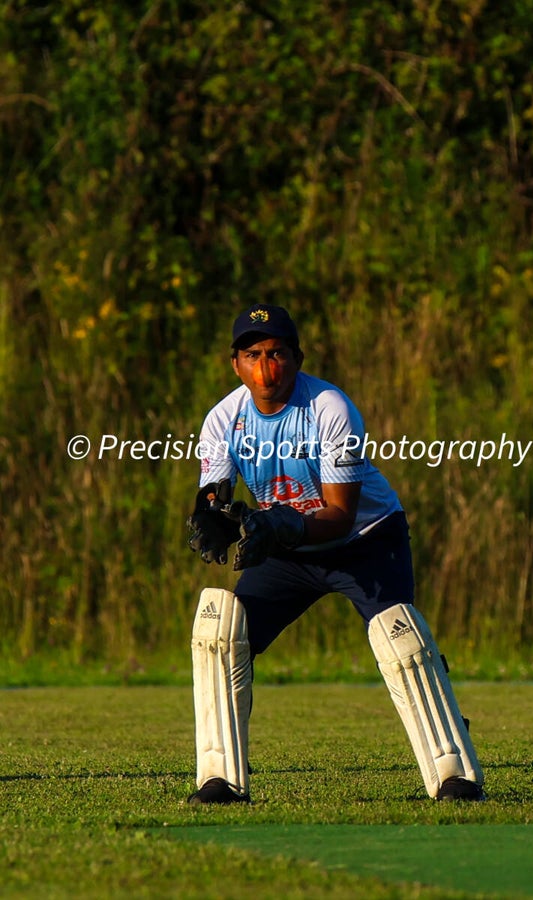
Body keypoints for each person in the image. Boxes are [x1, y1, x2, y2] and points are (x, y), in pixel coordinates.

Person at [186, 303, 485, 805]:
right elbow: (214, 490)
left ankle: (455, 776)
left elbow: (341, 514)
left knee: (401, 640)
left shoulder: (329, 408)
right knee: (221, 630)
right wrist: (212, 513)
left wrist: (279, 523)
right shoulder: (223, 419)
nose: (266, 369)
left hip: (366, 540)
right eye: (253, 355)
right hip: (287, 548)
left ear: (297, 359)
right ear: (235, 364)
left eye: (278, 353)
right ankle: (220, 780)